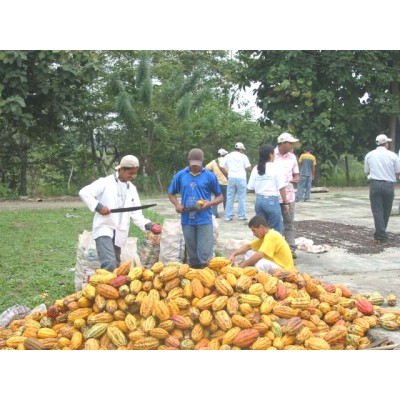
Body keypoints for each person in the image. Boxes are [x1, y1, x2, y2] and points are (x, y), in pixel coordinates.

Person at [79, 155, 162, 271]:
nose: (132, 176)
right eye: (130, 173)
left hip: (119, 231)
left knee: (117, 265)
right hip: (104, 227)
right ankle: (105, 288)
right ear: (122, 169)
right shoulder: (105, 182)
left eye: (135, 173)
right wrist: (99, 207)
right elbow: (84, 192)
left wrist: (150, 225)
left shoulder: (132, 189)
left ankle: (111, 287)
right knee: (109, 263)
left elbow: (136, 214)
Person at [167, 148, 223, 269]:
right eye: (193, 165)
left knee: (205, 252)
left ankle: (206, 273)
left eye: (197, 165)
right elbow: (171, 193)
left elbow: (220, 196)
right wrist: (177, 205)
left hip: (204, 218)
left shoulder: (210, 176)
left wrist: (210, 203)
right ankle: (195, 274)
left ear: (202, 162)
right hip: (187, 218)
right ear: (189, 161)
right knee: (192, 253)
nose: (195, 167)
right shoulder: (181, 175)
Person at [364, 134, 400, 244]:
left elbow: (366, 171)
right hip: (389, 185)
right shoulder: (393, 155)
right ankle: (382, 236)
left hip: (375, 185)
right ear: (385, 144)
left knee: (377, 211)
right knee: (386, 211)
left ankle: (379, 235)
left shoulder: (369, 155)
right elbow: (398, 171)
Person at [228, 215, 296, 273]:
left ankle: (260, 277)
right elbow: (248, 246)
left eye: (254, 231)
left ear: (261, 227)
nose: (253, 234)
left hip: (285, 269)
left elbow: (259, 255)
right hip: (275, 263)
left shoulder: (271, 235)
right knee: (248, 252)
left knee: (261, 264)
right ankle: (253, 269)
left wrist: (242, 265)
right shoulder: (265, 235)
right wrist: (233, 254)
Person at [247, 144, 289, 234]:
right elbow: (282, 187)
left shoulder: (256, 168)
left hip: (259, 201)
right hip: (271, 201)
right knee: (275, 230)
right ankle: (274, 247)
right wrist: (285, 202)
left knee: (261, 229)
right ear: (270, 155)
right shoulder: (276, 167)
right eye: (274, 154)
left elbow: (250, 187)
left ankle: (263, 247)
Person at [274, 132, 300, 259]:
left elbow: (296, 174)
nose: (292, 145)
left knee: (289, 223)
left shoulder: (292, 157)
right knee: (274, 223)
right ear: (283, 143)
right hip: (273, 195)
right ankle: (275, 248)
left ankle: (291, 248)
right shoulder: (271, 155)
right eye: (290, 143)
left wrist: (296, 179)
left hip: (289, 195)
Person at [219, 142, 252, 221]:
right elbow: (249, 168)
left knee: (230, 197)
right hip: (241, 178)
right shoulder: (244, 156)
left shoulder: (228, 156)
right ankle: (241, 216)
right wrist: (245, 169)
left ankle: (228, 216)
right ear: (240, 149)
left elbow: (221, 166)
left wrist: (226, 174)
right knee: (242, 197)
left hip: (231, 177)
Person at [205, 148, 228, 218]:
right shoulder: (227, 161)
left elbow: (206, 168)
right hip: (226, 182)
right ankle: (227, 213)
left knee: (217, 197)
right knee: (226, 198)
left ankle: (214, 213)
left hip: (217, 182)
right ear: (225, 154)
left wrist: (212, 176)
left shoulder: (214, 162)